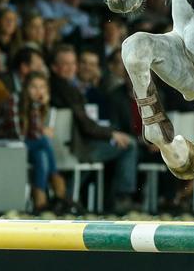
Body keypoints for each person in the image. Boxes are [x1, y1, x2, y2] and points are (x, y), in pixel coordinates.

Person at [49, 44, 138, 211]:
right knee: (129, 144)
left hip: (70, 144)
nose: (70, 68)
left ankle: (69, 197)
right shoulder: (65, 90)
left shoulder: (63, 87)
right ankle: (122, 197)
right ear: (55, 67)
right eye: (65, 64)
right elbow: (86, 125)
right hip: (76, 146)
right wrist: (111, 134)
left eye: (72, 64)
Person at [0, 72, 74, 214]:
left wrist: (42, 108)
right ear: (25, 88)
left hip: (25, 146)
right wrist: (42, 127)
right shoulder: (14, 101)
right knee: (44, 142)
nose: (38, 91)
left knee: (41, 155)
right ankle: (59, 190)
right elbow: (18, 134)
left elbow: (34, 133)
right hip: (5, 145)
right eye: (34, 87)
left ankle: (40, 204)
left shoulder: (35, 104)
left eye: (42, 87)